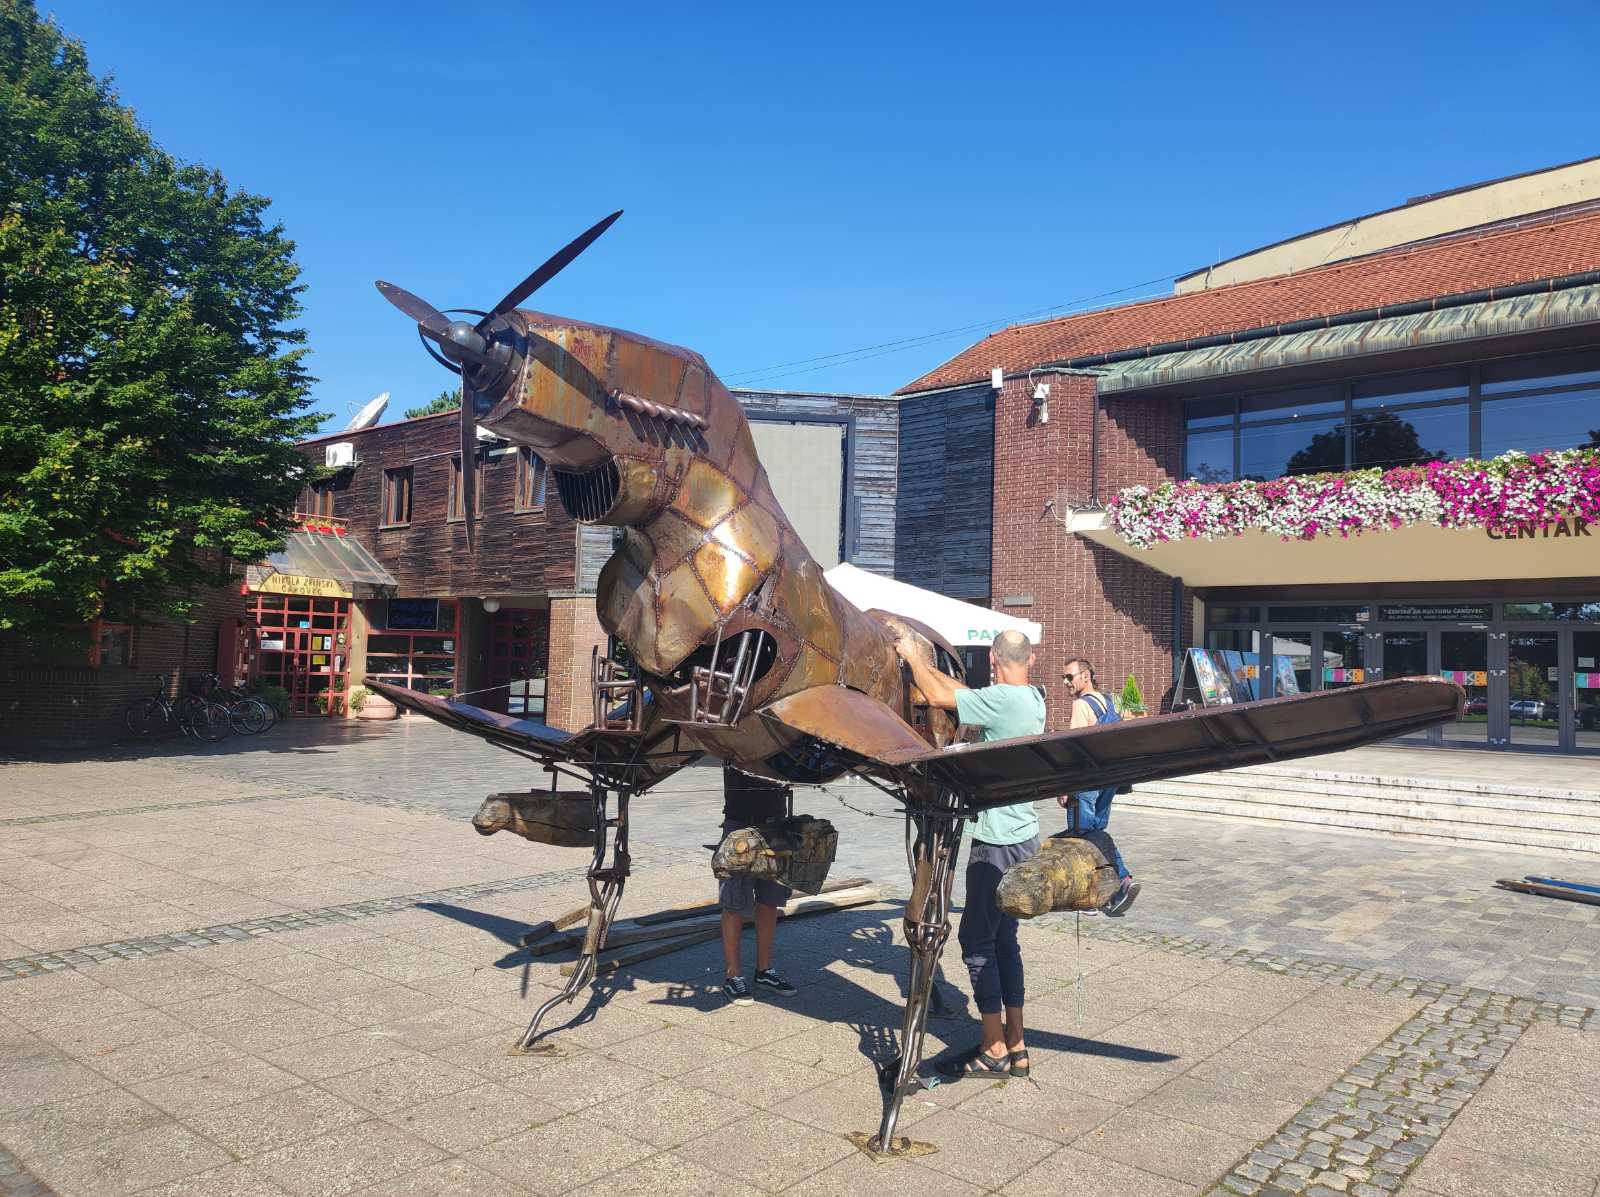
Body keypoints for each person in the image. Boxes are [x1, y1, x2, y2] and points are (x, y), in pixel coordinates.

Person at [895, 627, 1042, 1080]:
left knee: (976, 943)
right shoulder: (1033, 698)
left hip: (996, 842)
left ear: (994, 661)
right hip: (1025, 836)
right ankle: (1018, 1046)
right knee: (1004, 940)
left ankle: (993, 1046)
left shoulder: (1002, 701)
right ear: (1030, 661)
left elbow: (939, 697)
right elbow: (971, 696)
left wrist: (913, 658)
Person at [1062, 658, 1139, 916]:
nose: (1066, 682)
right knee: (1096, 834)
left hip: (1087, 782)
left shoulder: (1081, 705)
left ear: (1085, 676)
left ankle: (1108, 889)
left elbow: (1075, 749)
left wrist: (1066, 786)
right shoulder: (1110, 700)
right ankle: (1114, 890)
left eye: (1069, 677)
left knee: (1083, 837)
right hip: (1109, 779)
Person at [717, 766, 799, 1006]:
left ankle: (764, 970)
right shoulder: (733, 738)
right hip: (739, 825)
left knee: (769, 901)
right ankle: (732, 976)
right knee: (733, 903)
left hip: (775, 823)